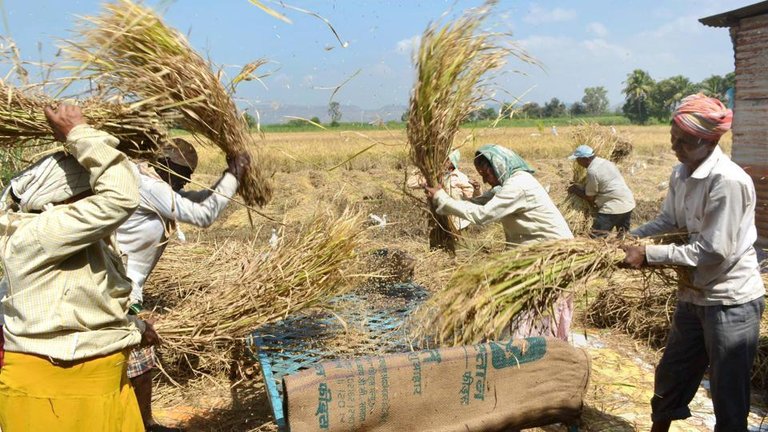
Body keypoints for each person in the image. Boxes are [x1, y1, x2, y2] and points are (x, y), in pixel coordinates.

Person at [0, 104, 157, 431]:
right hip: (55, 393)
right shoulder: (41, 234)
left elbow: (81, 307)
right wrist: (78, 133)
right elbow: (121, 197)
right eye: (90, 195)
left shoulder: (83, 243)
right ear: (62, 200)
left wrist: (135, 329)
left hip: (104, 385)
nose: (98, 206)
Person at [622, 93, 765, 432]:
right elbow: (670, 221)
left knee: (728, 394)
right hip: (693, 295)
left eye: (684, 142)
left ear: (708, 140)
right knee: (671, 375)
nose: (676, 147)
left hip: (731, 300)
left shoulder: (726, 181)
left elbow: (712, 252)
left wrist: (649, 255)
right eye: (673, 139)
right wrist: (632, 238)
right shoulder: (681, 172)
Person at [116, 138, 249, 432]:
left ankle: (140, 421)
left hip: (124, 287)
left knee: (135, 355)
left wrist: (228, 180)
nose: (184, 182)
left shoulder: (153, 183)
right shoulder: (148, 186)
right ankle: (142, 423)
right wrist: (235, 173)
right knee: (136, 350)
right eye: (182, 176)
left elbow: (194, 200)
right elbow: (203, 214)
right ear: (165, 167)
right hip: (116, 288)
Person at [424, 144, 574, 340]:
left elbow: (483, 215)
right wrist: (441, 198)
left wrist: (442, 198)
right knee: (527, 302)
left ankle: (539, 345)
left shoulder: (518, 186)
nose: (485, 179)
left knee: (539, 302)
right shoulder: (509, 185)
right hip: (535, 254)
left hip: (551, 255)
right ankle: (530, 341)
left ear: (499, 165)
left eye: (485, 173)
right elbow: (480, 203)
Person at [567, 144, 635, 238]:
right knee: (624, 237)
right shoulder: (606, 162)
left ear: (585, 159)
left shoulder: (592, 171)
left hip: (613, 207)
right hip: (628, 202)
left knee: (596, 237)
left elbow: (590, 197)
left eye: (577, 159)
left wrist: (574, 190)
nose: (577, 162)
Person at [406, 149, 480, 230]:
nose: (442, 161)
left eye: (446, 159)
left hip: (458, 225)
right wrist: (423, 168)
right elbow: (410, 183)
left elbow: (473, 199)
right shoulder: (433, 177)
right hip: (438, 222)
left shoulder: (460, 178)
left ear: (452, 162)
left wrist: (477, 189)